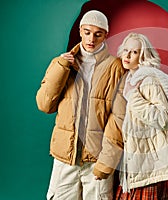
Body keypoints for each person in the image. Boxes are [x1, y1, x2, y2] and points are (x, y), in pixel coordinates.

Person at [36, 10, 126, 200]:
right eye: (87, 32)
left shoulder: (116, 67)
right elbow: (45, 105)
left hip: (96, 160)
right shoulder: (61, 63)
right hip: (65, 158)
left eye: (98, 34)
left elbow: (118, 118)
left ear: (106, 34)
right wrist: (61, 67)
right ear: (80, 31)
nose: (91, 38)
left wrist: (108, 160)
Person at [96, 32, 168, 199]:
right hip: (137, 164)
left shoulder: (148, 79)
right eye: (125, 50)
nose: (128, 55)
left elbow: (164, 118)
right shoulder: (131, 78)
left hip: (148, 167)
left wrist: (133, 97)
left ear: (143, 55)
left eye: (135, 52)